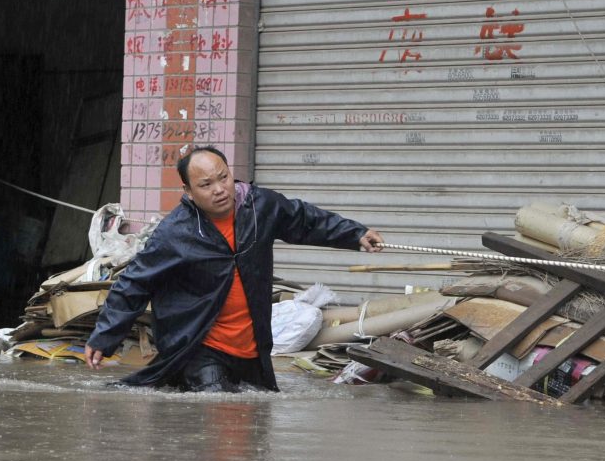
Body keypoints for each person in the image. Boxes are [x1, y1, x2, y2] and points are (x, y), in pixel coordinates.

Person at [84, 145, 384, 392]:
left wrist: (355, 234)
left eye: (223, 178)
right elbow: (134, 284)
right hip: (200, 346)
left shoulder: (260, 207)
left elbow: (306, 220)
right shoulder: (176, 232)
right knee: (215, 411)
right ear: (188, 191)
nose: (219, 190)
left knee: (252, 430)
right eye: (206, 185)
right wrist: (104, 337)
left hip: (252, 348)